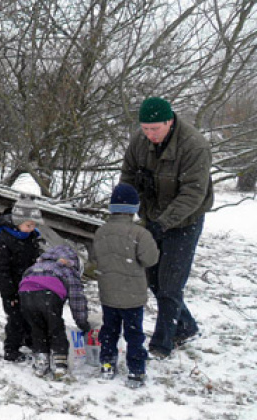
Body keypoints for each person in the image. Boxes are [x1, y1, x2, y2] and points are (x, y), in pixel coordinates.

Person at [120, 97, 213, 359]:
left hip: (185, 221)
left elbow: (193, 194)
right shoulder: (139, 142)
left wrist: (164, 223)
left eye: (155, 129)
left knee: (171, 284)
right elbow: (127, 177)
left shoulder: (194, 146)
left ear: (169, 121)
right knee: (152, 279)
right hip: (152, 216)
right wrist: (124, 211)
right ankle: (185, 325)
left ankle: (163, 343)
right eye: (145, 129)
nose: (150, 135)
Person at [93, 184, 159, 388]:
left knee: (109, 330)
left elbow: (95, 258)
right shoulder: (140, 234)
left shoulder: (101, 232)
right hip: (132, 296)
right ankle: (136, 371)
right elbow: (150, 259)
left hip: (108, 293)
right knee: (134, 334)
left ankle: (106, 364)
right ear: (134, 209)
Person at [0, 196, 43, 362]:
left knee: (31, 315)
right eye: (28, 225)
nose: (31, 228)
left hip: (30, 285)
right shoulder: (2, 239)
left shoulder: (31, 237)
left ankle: (30, 342)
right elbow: (1, 270)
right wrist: (10, 294)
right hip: (12, 286)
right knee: (15, 318)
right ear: (17, 222)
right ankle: (11, 350)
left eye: (34, 225)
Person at [19, 245, 90, 379]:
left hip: (25, 294)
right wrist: (82, 323)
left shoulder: (35, 266)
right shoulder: (68, 270)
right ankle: (60, 363)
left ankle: (41, 361)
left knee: (37, 328)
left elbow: (24, 280)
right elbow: (77, 300)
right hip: (48, 295)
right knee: (55, 327)